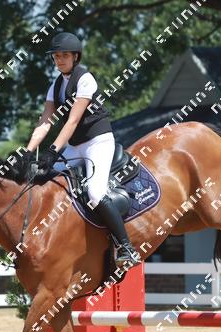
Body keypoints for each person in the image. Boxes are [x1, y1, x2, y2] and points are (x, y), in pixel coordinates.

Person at [24, 31, 141, 268]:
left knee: (95, 193)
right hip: (75, 146)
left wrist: (53, 151)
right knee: (44, 179)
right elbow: (45, 121)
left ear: (75, 56)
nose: (59, 60)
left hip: (98, 143)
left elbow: (73, 121)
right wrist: (28, 151)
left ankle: (125, 247)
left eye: (64, 55)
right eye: (56, 56)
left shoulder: (85, 79)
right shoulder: (55, 86)